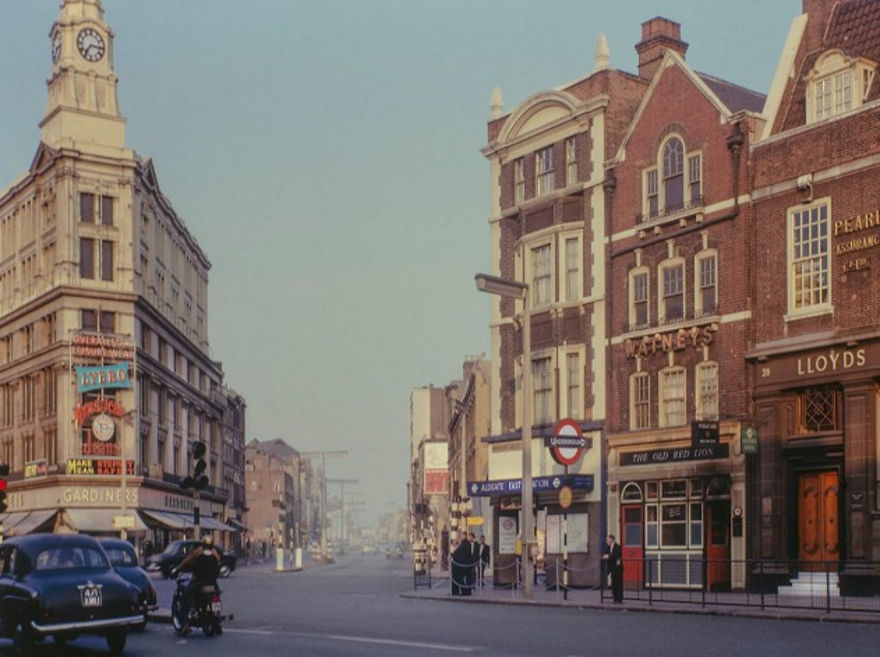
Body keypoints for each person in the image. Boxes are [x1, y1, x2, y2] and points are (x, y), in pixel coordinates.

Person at [174, 536, 222, 630]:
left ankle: (191, 612)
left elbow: (188, 562)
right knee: (217, 595)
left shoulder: (199, 552)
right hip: (212, 582)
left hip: (200, 582)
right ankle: (216, 621)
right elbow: (217, 567)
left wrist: (179, 569)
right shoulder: (215, 553)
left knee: (186, 594)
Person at [602, 534, 624, 603]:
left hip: (617, 568)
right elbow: (606, 553)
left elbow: (616, 555)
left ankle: (619, 598)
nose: (607, 541)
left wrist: (608, 556)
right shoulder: (608, 547)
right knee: (613, 583)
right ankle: (615, 598)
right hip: (612, 568)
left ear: (612, 540)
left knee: (618, 583)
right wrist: (604, 556)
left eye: (608, 540)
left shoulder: (617, 547)